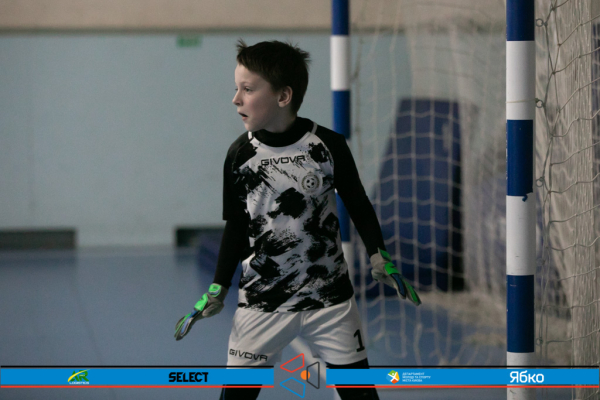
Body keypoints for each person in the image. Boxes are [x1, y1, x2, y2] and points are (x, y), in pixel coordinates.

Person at [175, 39, 421, 400]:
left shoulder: (328, 145)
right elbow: (237, 226)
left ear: (283, 96)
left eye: (247, 89)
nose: (236, 99)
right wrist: (218, 287)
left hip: (331, 301)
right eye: (236, 88)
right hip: (262, 302)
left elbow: (358, 205)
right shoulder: (240, 155)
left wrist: (378, 255)